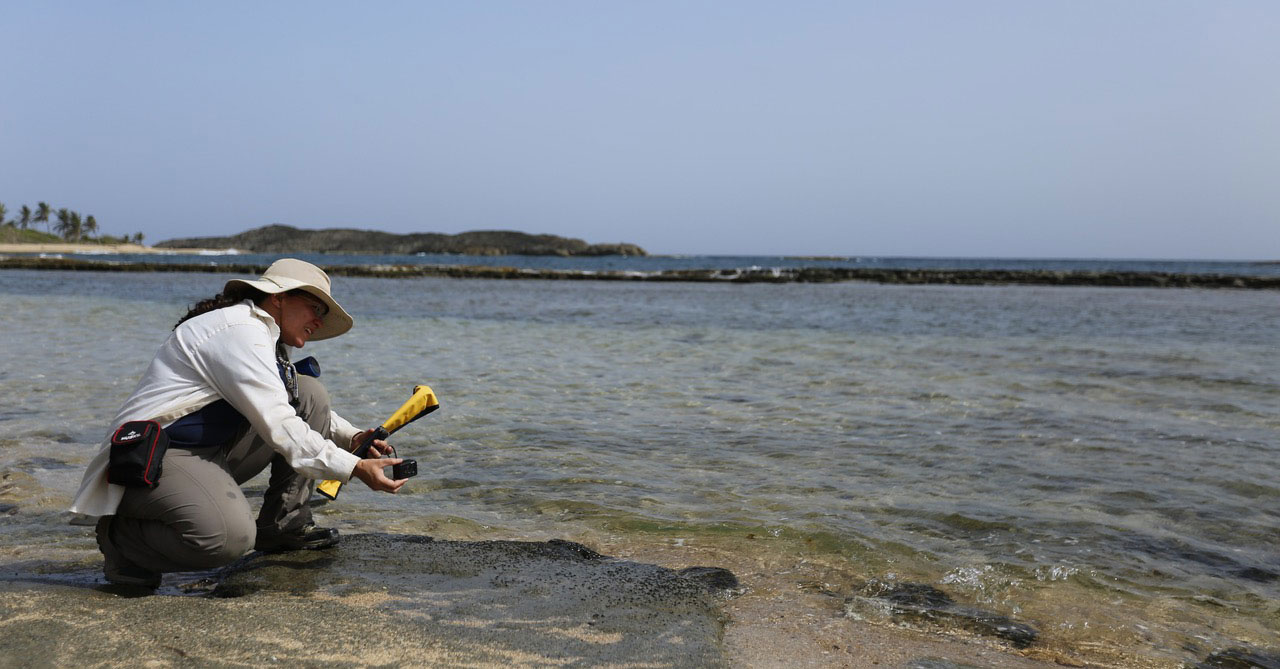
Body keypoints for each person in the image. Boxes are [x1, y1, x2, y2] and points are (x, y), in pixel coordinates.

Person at [70, 258, 408, 589]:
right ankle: (121, 540)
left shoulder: (266, 337)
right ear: (279, 298)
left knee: (309, 393)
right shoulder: (241, 332)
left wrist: (352, 438)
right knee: (229, 540)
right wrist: (355, 467)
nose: (319, 321)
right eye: (315, 309)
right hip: (150, 460)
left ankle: (284, 528)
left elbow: (287, 404)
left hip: (203, 451)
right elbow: (280, 425)